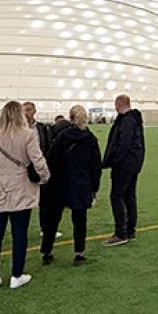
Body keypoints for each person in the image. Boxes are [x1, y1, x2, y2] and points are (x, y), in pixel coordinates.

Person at [0, 100, 50, 292]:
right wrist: (45, 177)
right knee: (19, 234)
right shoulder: (27, 135)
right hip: (20, 189)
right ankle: (17, 275)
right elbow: (38, 160)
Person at [41, 105, 102, 266]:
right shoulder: (91, 139)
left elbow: (51, 158)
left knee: (52, 220)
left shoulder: (62, 136)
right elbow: (95, 166)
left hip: (60, 183)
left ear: (71, 117)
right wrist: (94, 188)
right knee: (80, 220)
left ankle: (47, 251)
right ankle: (79, 253)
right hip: (81, 184)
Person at [102, 94, 145, 246]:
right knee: (129, 196)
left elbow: (123, 143)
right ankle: (130, 230)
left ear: (118, 104)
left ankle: (121, 233)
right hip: (133, 164)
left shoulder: (126, 120)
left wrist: (115, 160)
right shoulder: (134, 119)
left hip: (124, 165)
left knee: (117, 196)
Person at [23, 101, 57, 238]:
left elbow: (48, 147)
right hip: (23, 170)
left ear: (34, 111)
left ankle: (46, 229)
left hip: (41, 168)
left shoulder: (42, 128)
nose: (26, 112)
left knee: (45, 201)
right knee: (23, 203)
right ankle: (21, 231)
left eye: (29, 109)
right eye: (23, 110)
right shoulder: (17, 130)